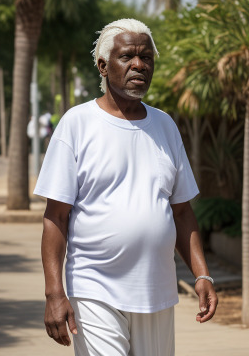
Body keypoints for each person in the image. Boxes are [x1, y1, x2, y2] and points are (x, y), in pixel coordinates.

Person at [34, 18, 218, 356]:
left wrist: (203, 275)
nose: (139, 64)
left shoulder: (165, 126)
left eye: (146, 57)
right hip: (94, 289)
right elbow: (56, 217)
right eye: (127, 57)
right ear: (103, 66)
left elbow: (181, 212)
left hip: (157, 291)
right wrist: (54, 293)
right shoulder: (77, 124)